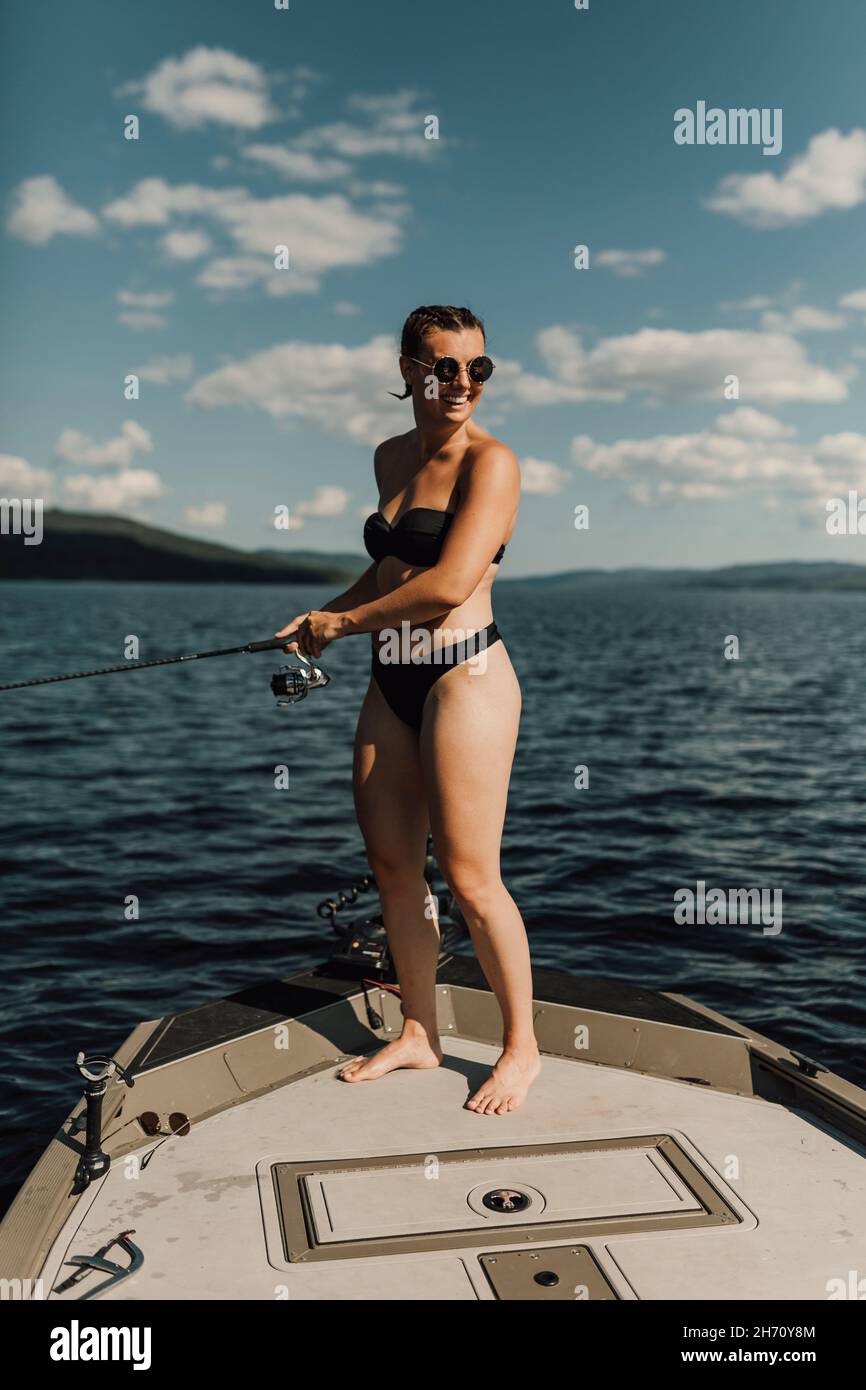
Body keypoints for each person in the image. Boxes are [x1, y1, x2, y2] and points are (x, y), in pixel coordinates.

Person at [276, 305, 540, 1115]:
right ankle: (419, 1031)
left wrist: (345, 626)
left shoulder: (491, 463)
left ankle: (520, 1048)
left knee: (469, 877)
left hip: (465, 677)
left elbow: (450, 583)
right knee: (394, 867)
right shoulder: (390, 454)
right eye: (443, 366)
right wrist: (322, 617)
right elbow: (392, 573)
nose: (462, 382)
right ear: (406, 371)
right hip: (390, 678)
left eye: (478, 368)